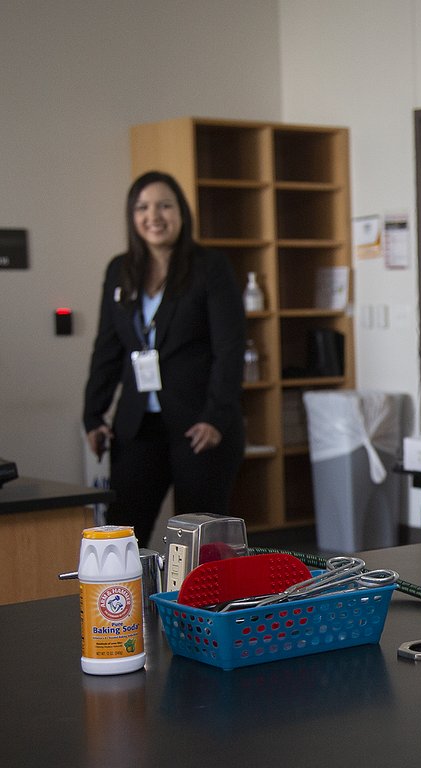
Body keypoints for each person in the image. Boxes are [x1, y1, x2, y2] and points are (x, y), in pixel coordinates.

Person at [83, 171, 246, 547]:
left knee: (200, 541)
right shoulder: (119, 270)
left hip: (199, 425)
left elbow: (230, 347)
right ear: (132, 216)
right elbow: (107, 348)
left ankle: (199, 607)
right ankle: (124, 607)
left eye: (164, 205)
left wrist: (217, 416)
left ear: (181, 213)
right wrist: (93, 414)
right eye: (143, 207)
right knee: (123, 532)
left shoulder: (210, 267)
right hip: (138, 426)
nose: (153, 215)